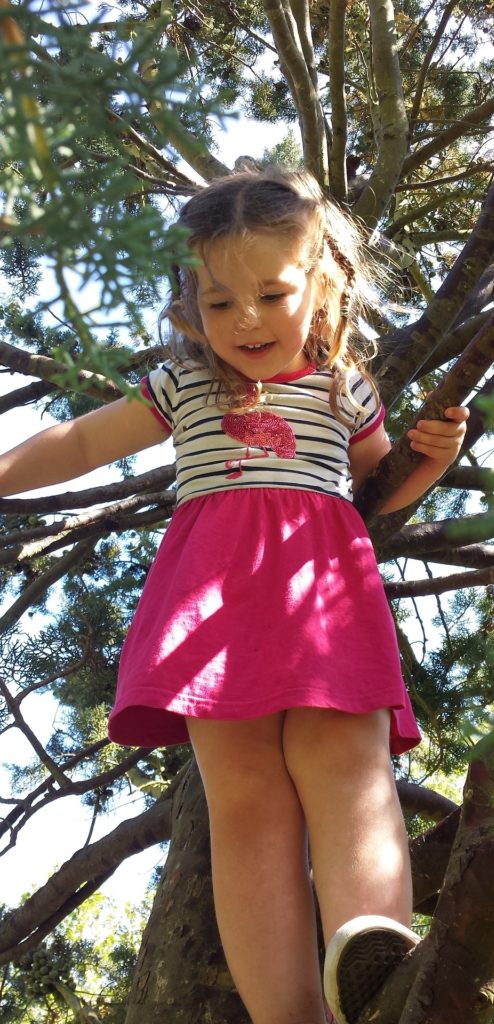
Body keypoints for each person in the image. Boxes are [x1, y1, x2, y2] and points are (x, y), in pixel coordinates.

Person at [0, 169, 468, 1024]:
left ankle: (375, 949)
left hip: (323, 594)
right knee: (244, 801)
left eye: (270, 292)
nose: (245, 319)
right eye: (218, 303)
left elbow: (380, 487)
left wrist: (429, 458)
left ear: (320, 286)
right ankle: (289, 1013)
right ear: (190, 307)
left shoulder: (343, 388)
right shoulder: (185, 388)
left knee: (346, 763)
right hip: (211, 608)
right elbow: (78, 442)